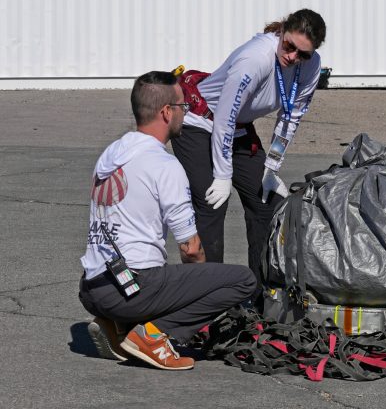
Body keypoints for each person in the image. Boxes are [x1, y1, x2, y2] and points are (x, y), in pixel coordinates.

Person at [79, 71, 257, 370]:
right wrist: (199, 288)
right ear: (166, 112)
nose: (185, 114)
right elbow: (190, 248)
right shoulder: (164, 165)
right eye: (182, 107)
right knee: (242, 281)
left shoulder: (112, 153)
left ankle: (117, 325)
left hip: (93, 287)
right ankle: (154, 334)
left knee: (161, 277)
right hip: (133, 287)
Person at [171, 9, 326, 275]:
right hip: (199, 121)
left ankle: (261, 291)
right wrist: (222, 175)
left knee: (267, 202)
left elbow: (292, 116)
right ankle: (210, 295)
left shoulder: (311, 66)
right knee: (212, 203)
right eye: (289, 46)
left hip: (238, 128)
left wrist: (272, 165)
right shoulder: (255, 58)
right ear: (281, 32)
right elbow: (224, 117)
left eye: (303, 54)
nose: (293, 57)